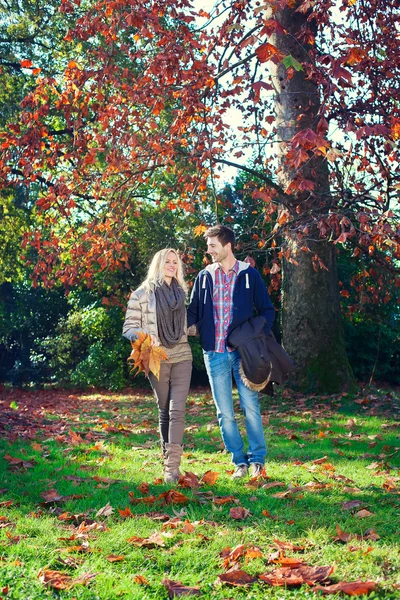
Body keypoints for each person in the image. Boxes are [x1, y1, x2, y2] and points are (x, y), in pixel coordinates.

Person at [187, 225, 275, 479]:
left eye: (212, 245)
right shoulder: (205, 276)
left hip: (243, 354)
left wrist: (253, 334)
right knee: (224, 412)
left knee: (250, 406)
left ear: (228, 246)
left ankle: (257, 460)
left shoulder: (250, 275)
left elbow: (267, 311)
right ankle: (240, 462)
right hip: (214, 354)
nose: (208, 251)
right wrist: (172, 324)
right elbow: (193, 311)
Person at [123, 249, 192, 484]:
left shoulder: (182, 294)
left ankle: (172, 469)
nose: (172, 265)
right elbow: (128, 328)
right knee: (164, 410)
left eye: (175, 262)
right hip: (156, 357)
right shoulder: (142, 294)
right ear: (158, 265)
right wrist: (143, 338)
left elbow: (188, 326)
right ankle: (167, 458)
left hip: (183, 355)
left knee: (176, 410)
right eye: (167, 262)